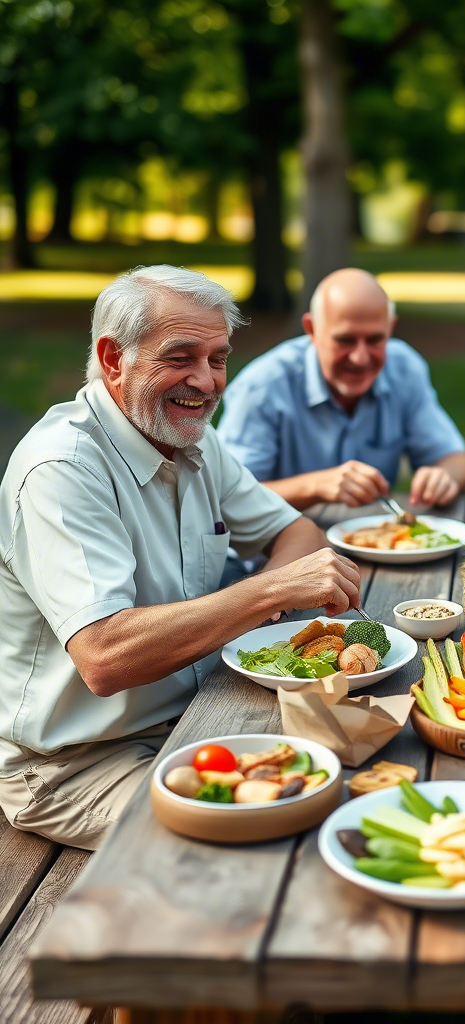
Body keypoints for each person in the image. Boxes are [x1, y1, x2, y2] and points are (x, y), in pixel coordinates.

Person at [0, 266, 362, 850]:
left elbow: (296, 532)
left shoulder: (190, 436)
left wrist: (272, 594)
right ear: (113, 359)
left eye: (218, 359)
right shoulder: (62, 468)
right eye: (180, 356)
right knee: (281, 832)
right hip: (75, 765)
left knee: (350, 779)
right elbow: (105, 656)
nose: (207, 381)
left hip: (196, 714)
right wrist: (270, 594)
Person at [217, 268, 465, 510]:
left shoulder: (404, 369)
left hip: (374, 541)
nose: (360, 358)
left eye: (375, 340)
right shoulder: (262, 386)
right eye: (345, 340)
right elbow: (228, 497)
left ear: (390, 329)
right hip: (277, 550)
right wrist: (315, 486)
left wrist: (444, 477)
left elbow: (457, 461)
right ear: (312, 330)